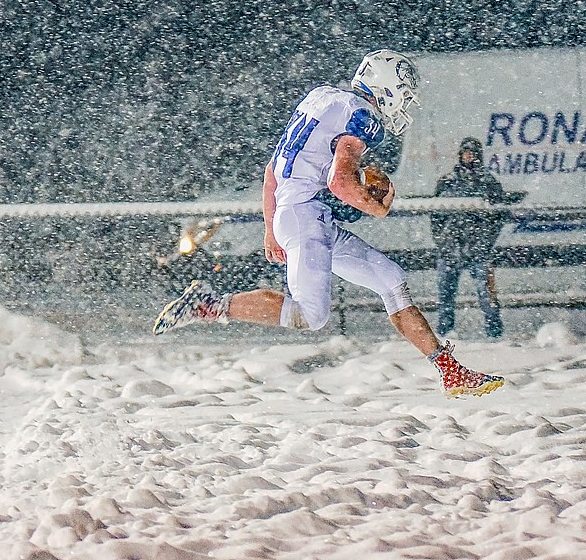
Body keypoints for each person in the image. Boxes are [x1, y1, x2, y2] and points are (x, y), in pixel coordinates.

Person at [153, 49, 504, 398]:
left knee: (392, 280)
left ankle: (450, 372)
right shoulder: (362, 116)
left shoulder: (320, 98)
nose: (404, 104)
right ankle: (211, 304)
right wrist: (375, 206)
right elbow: (339, 182)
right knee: (310, 315)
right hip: (306, 215)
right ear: (386, 87)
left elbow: (272, 172)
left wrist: (271, 226)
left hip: (303, 214)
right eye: (403, 94)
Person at [430, 137, 515, 339]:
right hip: (450, 250)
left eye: (472, 153)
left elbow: (499, 215)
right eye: (465, 152)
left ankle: (494, 334)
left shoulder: (488, 182)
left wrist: (485, 241)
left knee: (487, 296)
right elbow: (435, 215)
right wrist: (443, 240)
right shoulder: (447, 181)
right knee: (445, 297)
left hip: (478, 251)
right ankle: (445, 335)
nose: (468, 156)